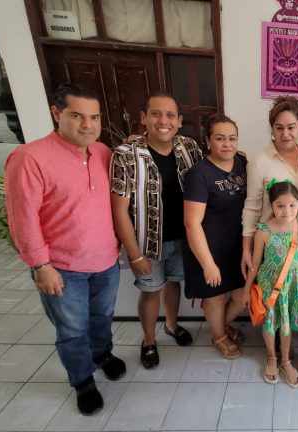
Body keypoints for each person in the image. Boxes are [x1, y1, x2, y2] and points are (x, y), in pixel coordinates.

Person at [5, 83, 126, 416]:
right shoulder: (30, 158)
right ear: (57, 114)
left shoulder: (103, 153)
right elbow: (22, 218)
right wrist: (41, 266)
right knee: (72, 329)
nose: (87, 125)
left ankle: (102, 354)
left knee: (102, 317)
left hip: (105, 261)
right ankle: (82, 380)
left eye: (94, 117)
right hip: (61, 267)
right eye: (77, 116)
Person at [110, 92, 202, 369]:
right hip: (148, 244)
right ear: (143, 118)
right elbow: (119, 211)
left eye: (170, 115)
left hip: (183, 238)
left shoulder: (189, 147)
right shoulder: (126, 155)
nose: (164, 121)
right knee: (151, 291)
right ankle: (148, 340)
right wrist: (135, 254)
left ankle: (172, 325)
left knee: (173, 283)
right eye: (156, 114)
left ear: (179, 121)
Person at [183, 114, 247, 359]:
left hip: (237, 245)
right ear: (208, 141)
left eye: (232, 138)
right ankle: (219, 335)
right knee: (215, 297)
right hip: (208, 247)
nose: (227, 144)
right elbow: (192, 223)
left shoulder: (241, 163)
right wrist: (207, 263)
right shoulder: (199, 174)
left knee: (242, 295)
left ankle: (223, 324)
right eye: (220, 139)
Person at [242, 180, 298, 387]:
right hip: (269, 284)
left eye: (292, 205)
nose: (287, 211)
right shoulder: (263, 231)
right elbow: (254, 264)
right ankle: (271, 357)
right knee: (270, 322)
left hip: (293, 283)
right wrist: (246, 290)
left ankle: (285, 360)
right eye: (280, 205)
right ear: (271, 206)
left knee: (286, 321)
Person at [242, 96, 298, 278]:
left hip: (296, 240)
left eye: (291, 127)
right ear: (271, 129)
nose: (285, 134)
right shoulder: (259, 162)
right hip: (269, 244)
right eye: (279, 128)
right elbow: (252, 207)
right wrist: (247, 249)